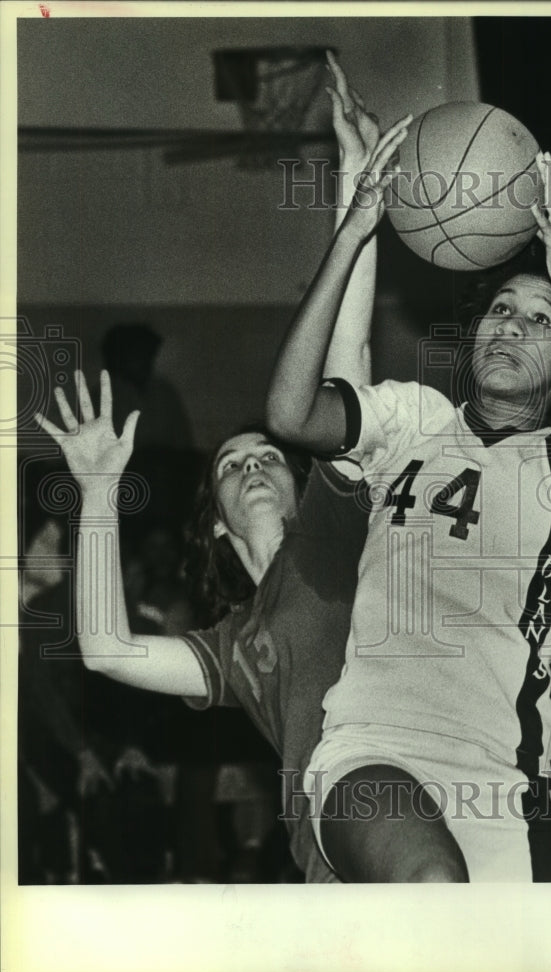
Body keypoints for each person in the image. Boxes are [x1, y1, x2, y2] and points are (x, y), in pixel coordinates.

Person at [265, 138, 551, 881]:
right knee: (432, 889)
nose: (509, 325)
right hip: (371, 750)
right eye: (501, 310)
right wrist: (354, 230)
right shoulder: (412, 418)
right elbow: (290, 413)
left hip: (506, 781)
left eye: (540, 321)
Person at [31, 54, 382, 884]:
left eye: (269, 455)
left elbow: (349, 361)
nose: (256, 463)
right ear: (218, 519)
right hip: (326, 864)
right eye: (233, 463)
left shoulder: (335, 535)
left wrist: (359, 191)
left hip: (417, 824)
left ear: (302, 488)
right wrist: (96, 494)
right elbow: (107, 650)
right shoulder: (234, 647)